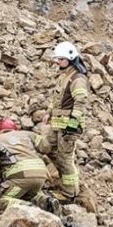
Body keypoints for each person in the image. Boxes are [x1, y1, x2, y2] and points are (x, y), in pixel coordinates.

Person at [43, 41, 89, 201]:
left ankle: (69, 193)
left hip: (68, 127)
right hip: (58, 124)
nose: (58, 62)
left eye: (61, 59)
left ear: (70, 59)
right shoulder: (65, 76)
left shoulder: (77, 78)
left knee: (65, 158)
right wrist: (49, 112)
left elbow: (80, 102)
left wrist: (73, 124)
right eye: (57, 59)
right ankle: (66, 179)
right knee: (46, 147)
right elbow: (56, 98)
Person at [0, 117, 61, 215]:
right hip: (40, 173)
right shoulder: (27, 134)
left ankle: (29, 208)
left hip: (20, 175)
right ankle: (47, 202)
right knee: (27, 194)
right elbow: (46, 147)